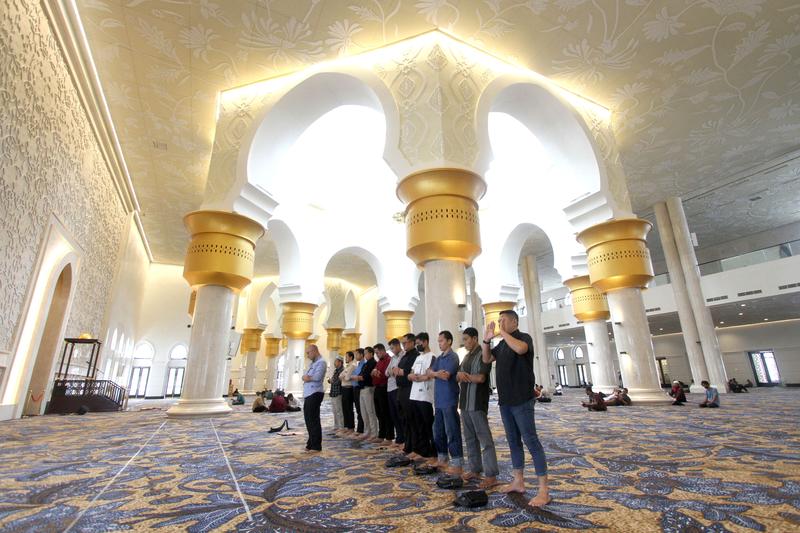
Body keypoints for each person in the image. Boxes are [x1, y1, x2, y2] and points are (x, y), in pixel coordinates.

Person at [482, 310, 550, 507]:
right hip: (505, 401)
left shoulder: (523, 338)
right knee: (513, 442)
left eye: (503, 320)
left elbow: (520, 349)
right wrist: (486, 340)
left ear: (514, 322)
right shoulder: (502, 344)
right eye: (499, 321)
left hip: (522, 400)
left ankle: (544, 490)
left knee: (531, 441)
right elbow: (486, 359)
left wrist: (502, 333)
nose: (500, 324)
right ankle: (518, 481)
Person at [457, 327, 498, 489]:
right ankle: (475, 469)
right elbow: (457, 375)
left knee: (485, 440)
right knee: (469, 438)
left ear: (475, 338)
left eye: (466, 339)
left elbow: (481, 378)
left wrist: (464, 376)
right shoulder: (467, 356)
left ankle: (491, 475)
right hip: (465, 403)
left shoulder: (483, 354)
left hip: (477, 403)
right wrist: (461, 376)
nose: (465, 342)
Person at [429, 330, 463, 475]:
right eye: (438, 341)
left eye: (441, 341)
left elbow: (446, 375)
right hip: (438, 400)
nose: (439, 343)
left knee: (452, 431)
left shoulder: (453, 357)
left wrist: (435, 374)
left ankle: (457, 462)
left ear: (449, 341)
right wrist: (436, 373)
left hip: (449, 399)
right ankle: (442, 458)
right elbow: (429, 372)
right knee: (438, 431)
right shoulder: (439, 358)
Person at [409, 332, 436, 463]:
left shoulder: (432, 357)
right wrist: (411, 376)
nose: (418, 346)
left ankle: (432, 453)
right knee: (417, 425)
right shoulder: (418, 357)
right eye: (416, 344)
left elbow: (430, 374)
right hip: (414, 395)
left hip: (425, 395)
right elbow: (411, 373)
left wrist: (419, 378)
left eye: (419, 344)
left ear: (425, 342)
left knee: (428, 426)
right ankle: (421, 450)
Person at [393, 333, 419, 458]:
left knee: (412, 420)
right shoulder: (405, 356)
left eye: (405, 343)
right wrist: (399, 371)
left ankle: (414, 447)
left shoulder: (415, 356)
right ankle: (407, 446)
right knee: (404, 420)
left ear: (413, 342)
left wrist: (401, 371)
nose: (403, 345)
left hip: (409, 389)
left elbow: (410, 372)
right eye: (402, 343)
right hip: (401, 390)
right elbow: (397, 370)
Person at [302, 344, 327, 452]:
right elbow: (304, 376)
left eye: (308, 353)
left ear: (314, 351)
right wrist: (306, 377)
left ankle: (316, 446)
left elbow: (317, 377)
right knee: (308, 419)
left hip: (315, 393)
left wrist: (307, 378)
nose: (307, 355)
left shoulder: (321, 362)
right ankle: (310, 443)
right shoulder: (313, 363)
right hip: (309, 393)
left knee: (313, 420)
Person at [355, 346, 379, 442]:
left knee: (370, 411)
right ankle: (367, 431)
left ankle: (374, 433)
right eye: (364, 353)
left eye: (366, 353)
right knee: (363, 412)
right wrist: (359, 377)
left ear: (371, 353)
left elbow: (366, 376)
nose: (364, 355)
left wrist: (359, 377)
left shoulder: (373, 363)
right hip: (362, 388)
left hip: (368, 388)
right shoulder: (366, 364)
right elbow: (361, 374)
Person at [372, 343, 394, 444]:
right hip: (377, 388)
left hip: (384, 388)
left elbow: (385, 374)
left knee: (386, 413)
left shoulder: (388, 360)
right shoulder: (379, 361)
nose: (376, 355)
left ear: (382, 351)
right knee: (379, 413)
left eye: (377, 353)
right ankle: (381, 435)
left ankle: (389, 437)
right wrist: (375, 372)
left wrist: (377, 373)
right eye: (375, 353)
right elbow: (374, 373)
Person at [385, 338, 404, 449]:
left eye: (392, 348)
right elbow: (386, 372)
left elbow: (398, 371)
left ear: (398, 346)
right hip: (390, 388)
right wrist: (392, 371)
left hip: (397, 388)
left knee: (400, 414)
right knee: (394, 414)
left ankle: (403, 439)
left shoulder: (403, 356)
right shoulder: (393, 358)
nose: (391, 350)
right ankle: (399, 437)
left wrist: (392, 371)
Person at [339, 351, 356, 434]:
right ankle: (346, 426)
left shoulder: (353, 366)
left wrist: (344, 376)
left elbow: (347, 378)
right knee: (344, 408)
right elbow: (340, 376)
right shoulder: (347, 366)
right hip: (344, 388)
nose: (345, 358)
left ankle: (351, 427)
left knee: (349, 408)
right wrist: (343, 376)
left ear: (351, 357)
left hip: (349, 389)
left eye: (346, 357)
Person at [328, 356, 345, 433]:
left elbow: (338, 381)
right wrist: (331, 380)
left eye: (336, 361)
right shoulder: (336, 371)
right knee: (334, 411)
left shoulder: (342, 370)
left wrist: (332, 381)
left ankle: (341, 426)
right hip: (333, 392)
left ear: (340, 362)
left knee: (339, 410)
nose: (334, 363)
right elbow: (333, 379)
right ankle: (336, 425)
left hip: (338, 392)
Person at [352, 348, 366, 434]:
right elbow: (353, 376)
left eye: (356, 354)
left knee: (361, 410)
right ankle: (360, 429)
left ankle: (361, 430)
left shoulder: (364, 364)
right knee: (358, 409)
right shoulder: (358, 364)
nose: (355, 356)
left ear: (361, 354)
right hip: (355, 388)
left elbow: (357, 376)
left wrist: (353, 377)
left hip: (360, 388)